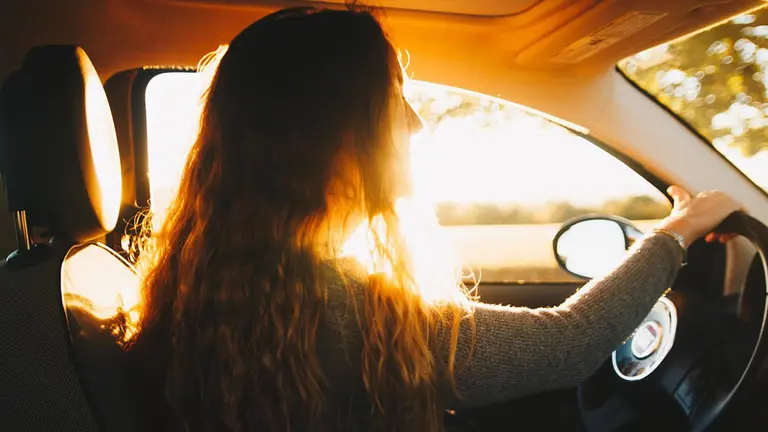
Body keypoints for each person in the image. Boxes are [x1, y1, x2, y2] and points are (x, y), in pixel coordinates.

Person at [127, 5, 743, 432]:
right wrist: (678, 228)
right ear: (328, 140)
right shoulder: (345, 314)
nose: (415, 125)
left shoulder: (205, 285)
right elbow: (570, 344)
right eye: (393, 105)